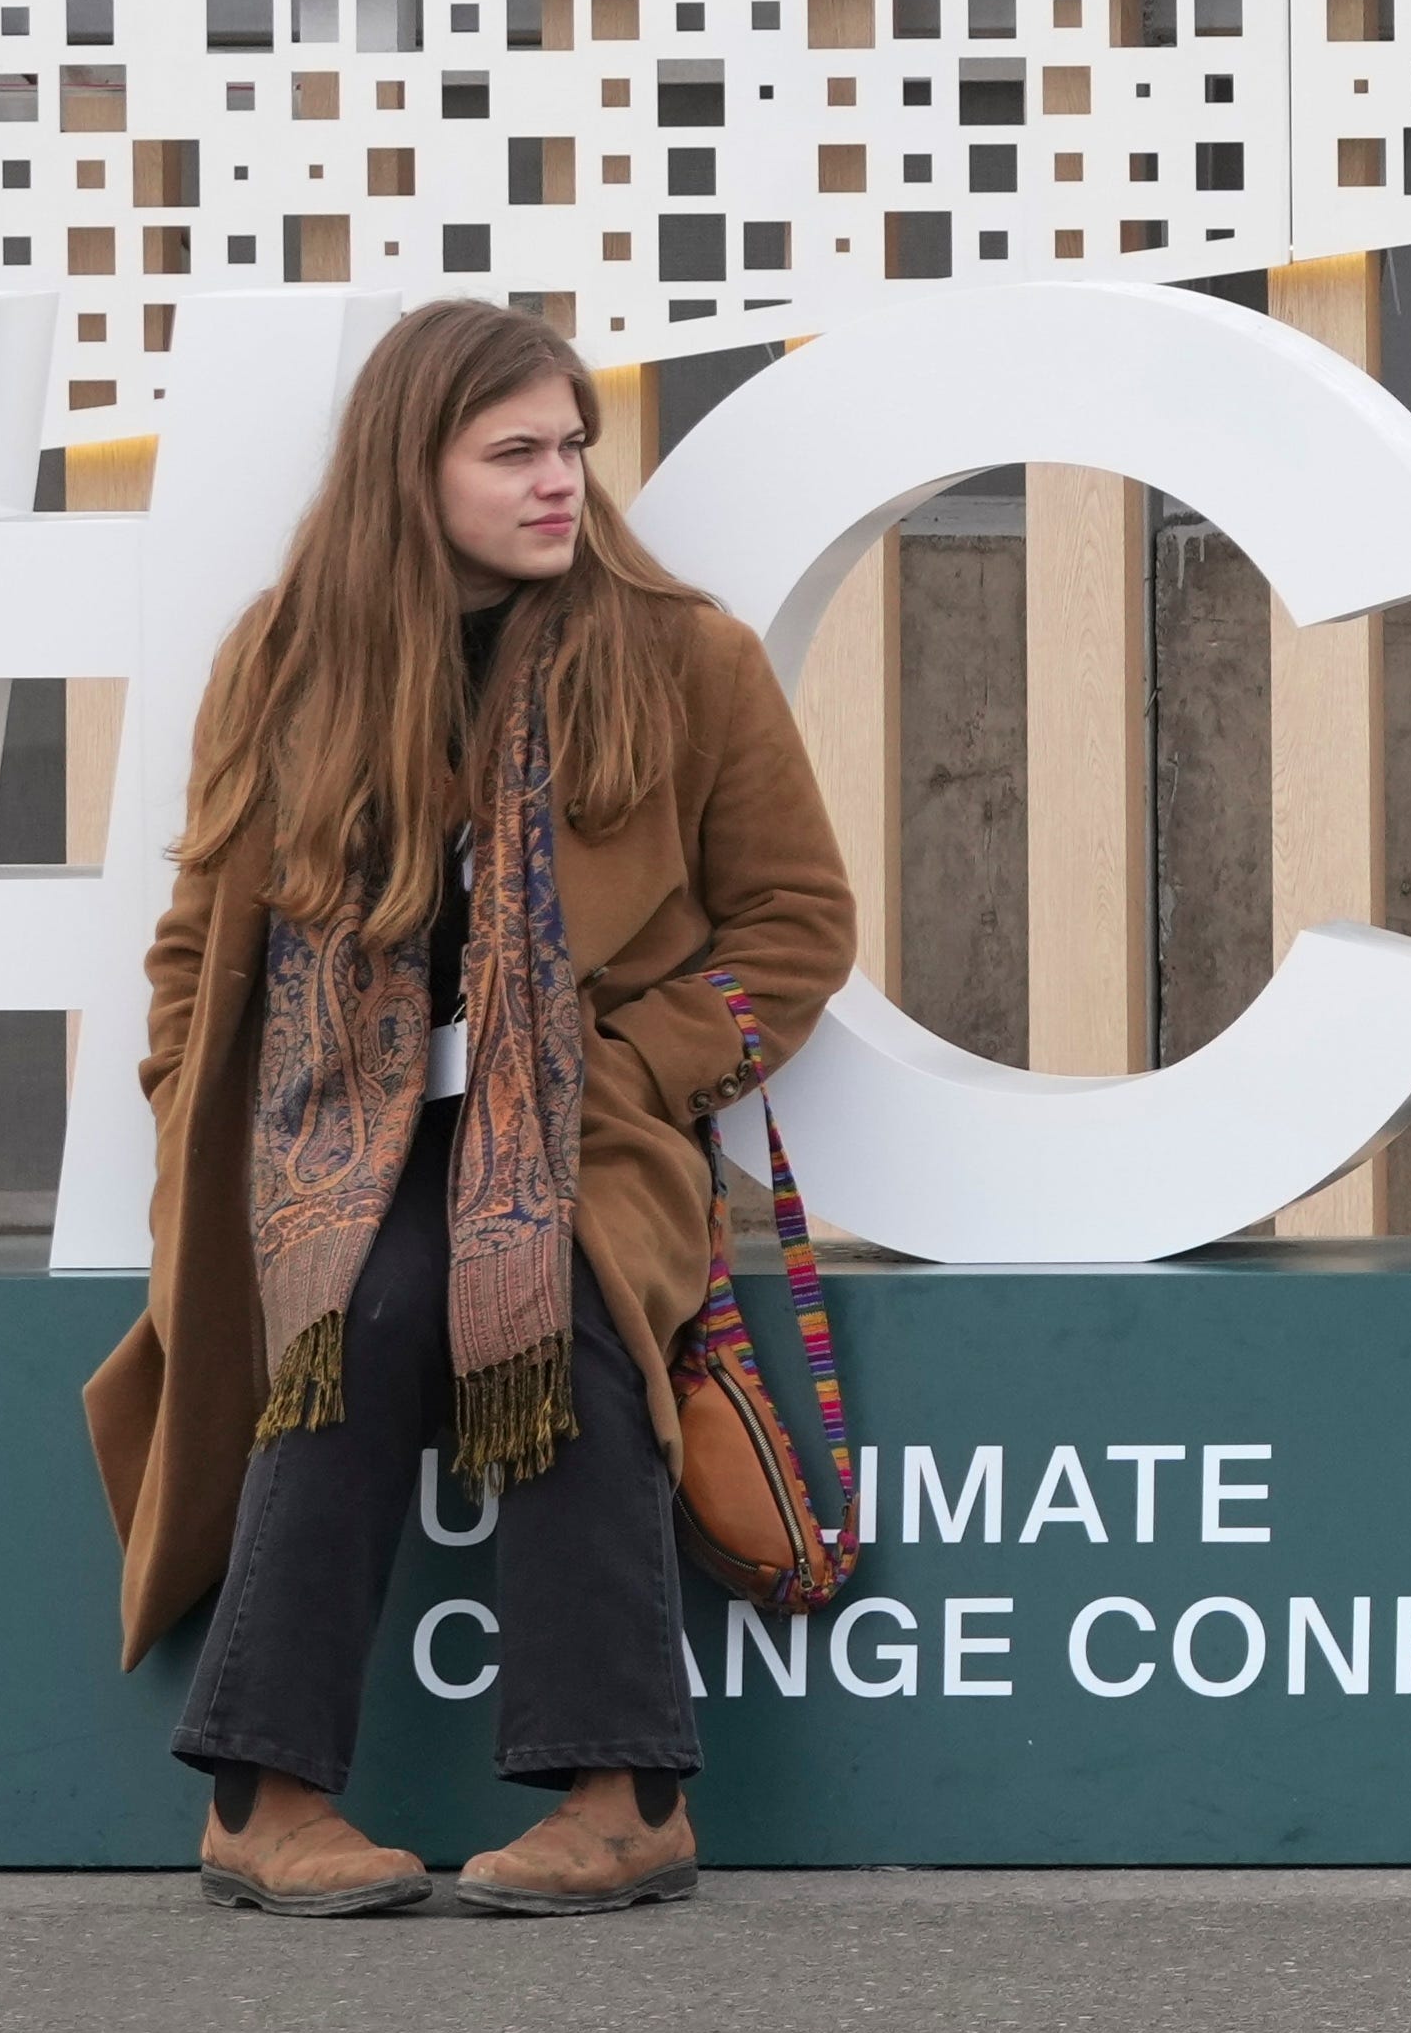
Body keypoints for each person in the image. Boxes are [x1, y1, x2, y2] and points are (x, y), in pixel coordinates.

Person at [83, 302, 856, 1918]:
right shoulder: (290, 656)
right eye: (514, 450)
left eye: (571, 443)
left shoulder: (677, 652)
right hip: (330, 1136)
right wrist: (198, 1108)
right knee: (349, 1319)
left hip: (582, 1132)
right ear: (408, 468)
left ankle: (625, 1792)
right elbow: (195, 934)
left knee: (551, 1306)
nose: (560, 478)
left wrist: (630, 1070)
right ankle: (263, 1795)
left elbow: (794, 924)